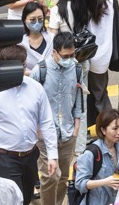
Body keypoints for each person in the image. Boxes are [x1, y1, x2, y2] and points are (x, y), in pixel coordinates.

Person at [0, 44, 58, 204]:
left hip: (30, 156)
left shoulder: (36, 88)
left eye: (24, 65)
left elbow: (47, 122)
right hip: (5, 159)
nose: (23, 70)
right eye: (18, 66)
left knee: (25, 199)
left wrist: (53, 155)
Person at [49, 0, 115, 124]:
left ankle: (108, 125)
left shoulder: (59, 10)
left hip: (66, 61)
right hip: (83, 59)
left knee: (71, 102)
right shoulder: (84, 5)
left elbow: (52, 38)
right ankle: (83, 134)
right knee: (83, 101)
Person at [31, 35, 82, 205]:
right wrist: (38, 130)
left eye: (72, 55)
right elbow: (31, 103)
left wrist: (76, 127)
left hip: (68, 132)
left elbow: (79, 98)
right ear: (54, 52)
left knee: (64, 176)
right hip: (45, 134)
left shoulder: (76, 68)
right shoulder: (40, 70)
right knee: (51, 175)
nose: (70, 59)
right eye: (65, 56)